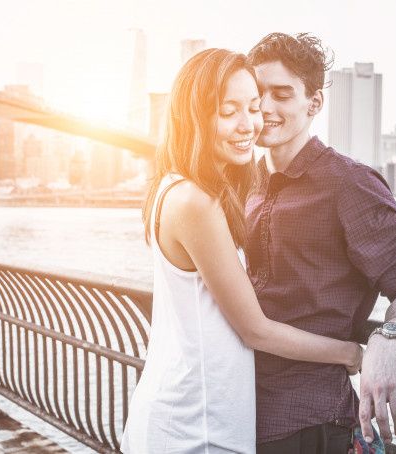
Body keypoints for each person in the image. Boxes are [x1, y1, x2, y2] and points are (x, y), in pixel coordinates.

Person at [120, 48, 364, 454]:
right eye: (227, 110)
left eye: (253, 108)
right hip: (195, 427)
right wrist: (353, 353)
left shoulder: (173, 187)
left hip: (181, 412)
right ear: (194, 116)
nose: (248, 124)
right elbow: (255, 329)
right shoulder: (195, 202)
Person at [245, 32, 396, 453]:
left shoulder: (349, 183)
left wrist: (388, 339)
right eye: (258, 94)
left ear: (314, 104)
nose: (266, 108)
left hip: (309, 418)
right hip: (242, 404)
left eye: (282, 94)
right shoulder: (250, 181)